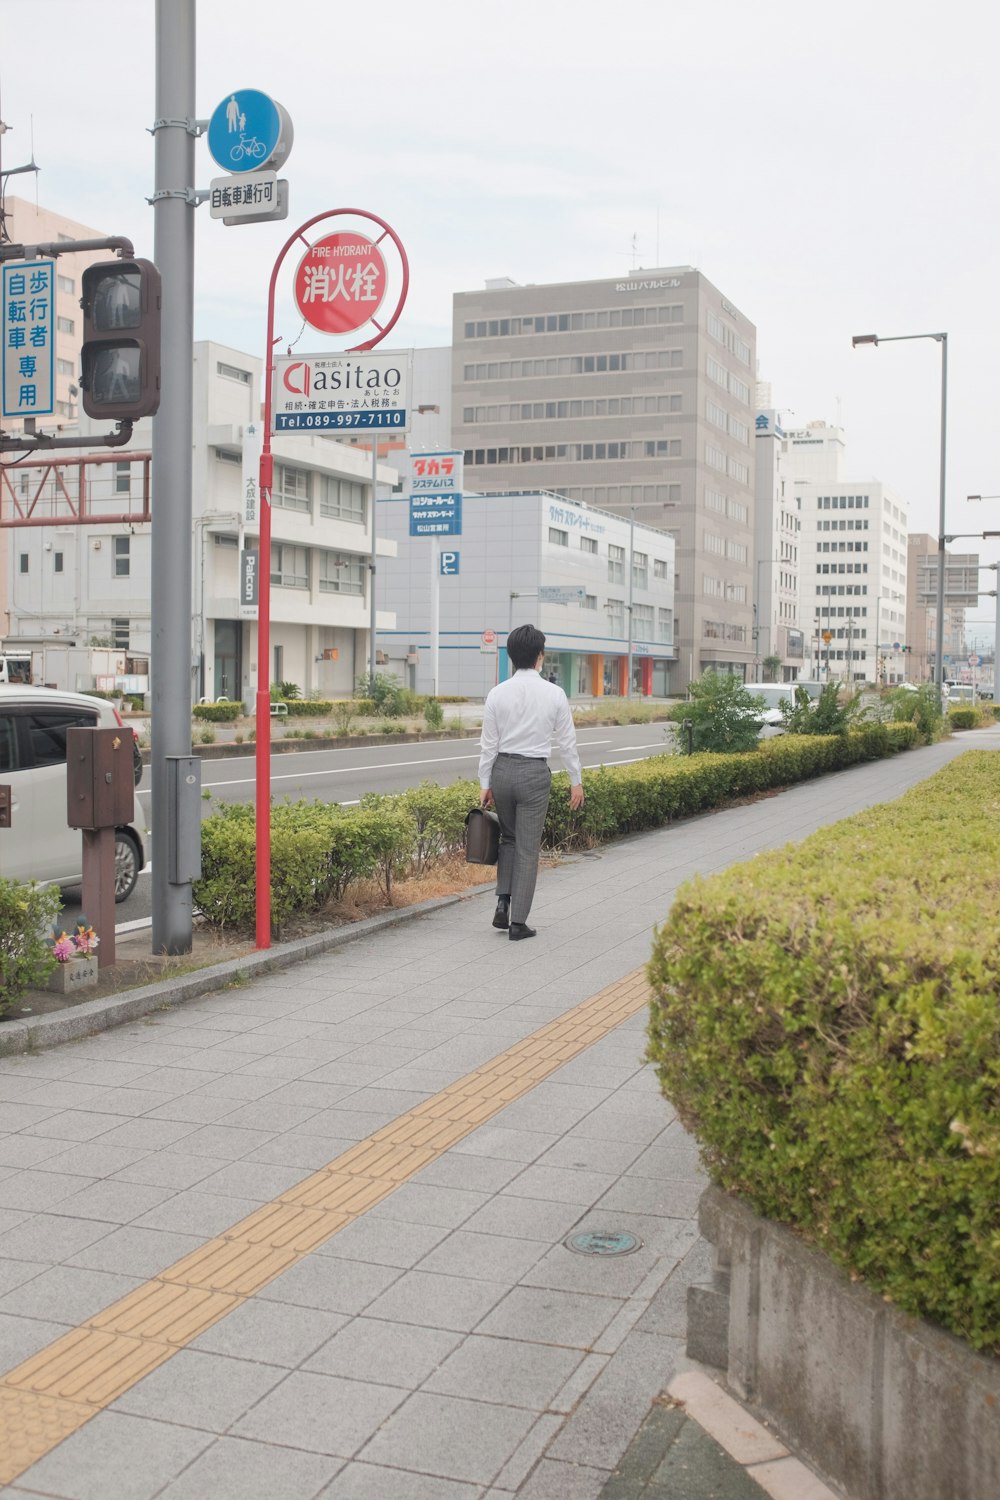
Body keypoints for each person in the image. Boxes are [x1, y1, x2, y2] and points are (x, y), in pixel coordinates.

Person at [478, 624, 585, 941]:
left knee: (508, 840)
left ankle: (502, 902)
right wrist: (575, 782)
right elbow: (567, 743)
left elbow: (488, 744)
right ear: (541, 656)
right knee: (527, 848)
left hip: (502, 771)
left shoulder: (497, 693)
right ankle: (518, 923)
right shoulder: (554, 694)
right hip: (534, 774)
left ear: (511, 656)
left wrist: (485, 782)